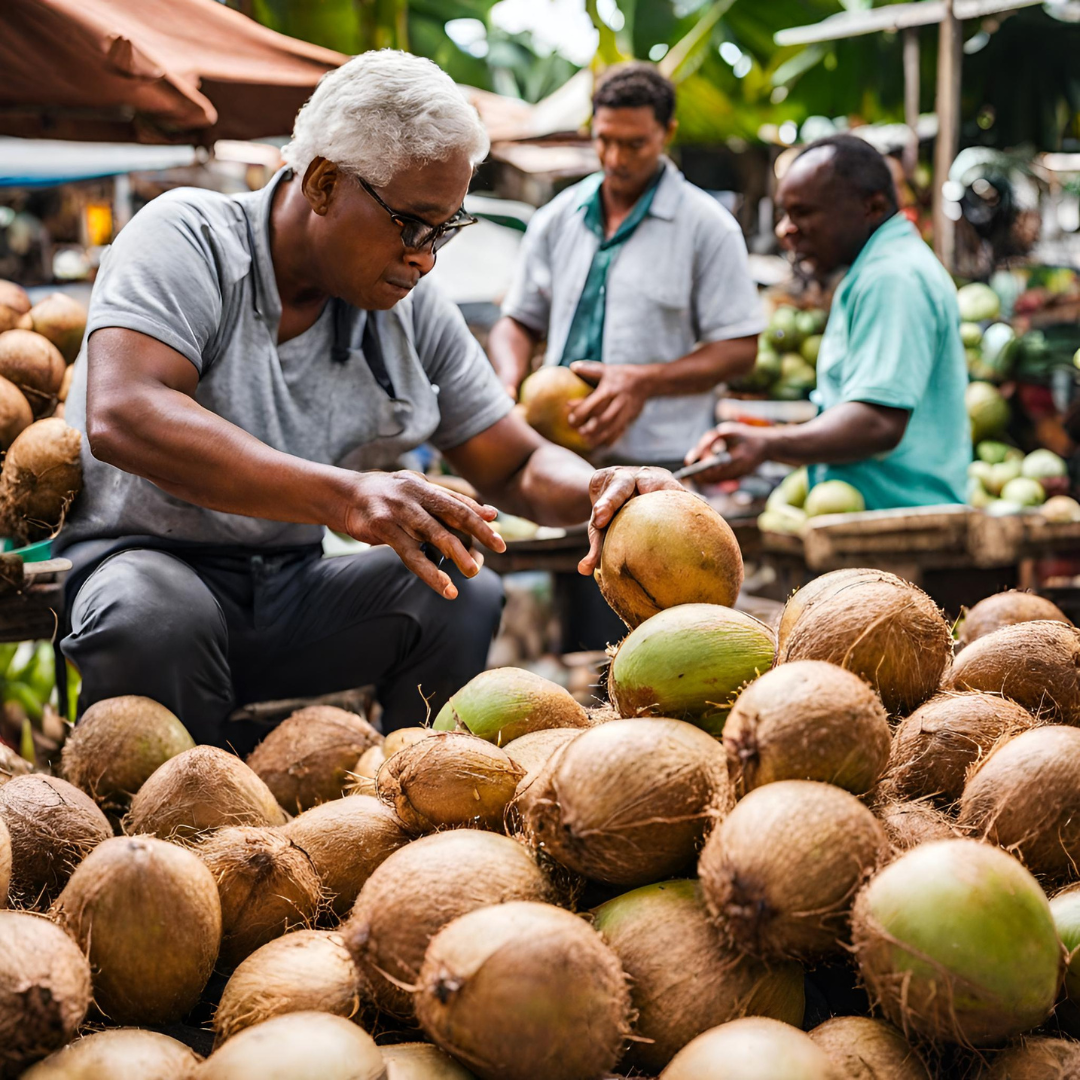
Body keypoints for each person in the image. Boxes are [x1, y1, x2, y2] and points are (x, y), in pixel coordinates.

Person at [57, 50, 680, 752]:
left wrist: (602, 490)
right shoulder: (190, 237)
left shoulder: (410, 308)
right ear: (322, 182)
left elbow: (514, 465)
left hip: (290, 590)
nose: (426, 257)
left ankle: (420, 810)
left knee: (456, 592)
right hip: (145, 567)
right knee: (154, 616)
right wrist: (344, 496)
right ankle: (169, 841)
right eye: (413, 224)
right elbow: (124, 413)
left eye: (445, 230)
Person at [488, 62, 762, 467]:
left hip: (661, 460)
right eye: (605, 140)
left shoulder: (708, 227)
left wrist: (644, 382)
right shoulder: (557, 218)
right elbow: (519, 320)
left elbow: (740, 349)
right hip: (556, 457)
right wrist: (507, 385)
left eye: (634, 144)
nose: (615, 158)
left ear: (667, 133)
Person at [686, 134, 970, 509]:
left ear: (872, 206)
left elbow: (876, 422)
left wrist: (767, 445)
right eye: (784, 214)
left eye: (803, 213)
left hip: (896, 522)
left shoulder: (891, 278)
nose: (785, 229)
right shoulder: (879, 270)